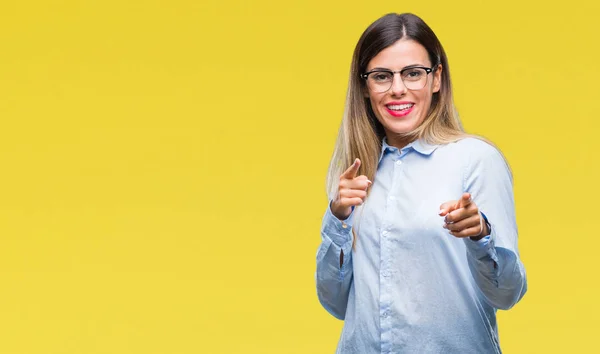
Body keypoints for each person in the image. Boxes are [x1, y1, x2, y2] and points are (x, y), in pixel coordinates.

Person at [315, 12, 527, 353]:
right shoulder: (356, 174)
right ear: (365, 87)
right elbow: (336, 304)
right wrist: (337, 219)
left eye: (413, 73)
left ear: (436, 78)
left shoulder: (475, 159)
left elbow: (507, 294)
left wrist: (481, 235)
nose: (398, 89)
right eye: (382, 76)